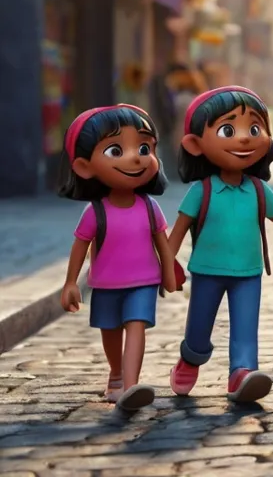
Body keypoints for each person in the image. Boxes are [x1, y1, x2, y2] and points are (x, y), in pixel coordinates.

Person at [166, 86, 273, 404]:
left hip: (248, 272)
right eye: (229, 130)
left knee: (246, 325)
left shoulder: (258, 189)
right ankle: (191, 358)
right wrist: (164, 265)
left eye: (254, 129)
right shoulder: (202, 191)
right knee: (199, 325)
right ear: (195, 145)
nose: (244, 138)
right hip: (207, 271)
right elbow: (178, 231)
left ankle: (241, 372)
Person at [57, 105, 178, 412]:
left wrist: (168, 272)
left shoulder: (150, 207)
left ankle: (131, 385)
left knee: (136, 324)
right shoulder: (95, 211)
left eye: (144, 148)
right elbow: (80, 246)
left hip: (144, 281)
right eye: (116, 150)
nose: (136, 157)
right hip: (107, 283)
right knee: (110, 330)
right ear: (85, 167)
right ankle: (116, 373)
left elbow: (162, 242)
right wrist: (71, 282)